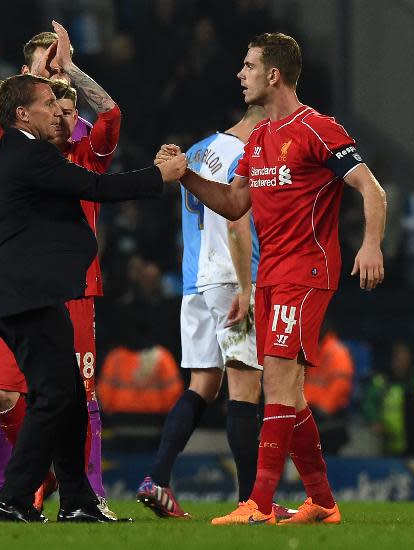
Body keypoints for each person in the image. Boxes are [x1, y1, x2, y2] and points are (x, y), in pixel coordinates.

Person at [157, 32, 386, 525]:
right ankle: (322, 501)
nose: (241, 75)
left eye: (249, 66)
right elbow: (234, 203)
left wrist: (370, 244)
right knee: (294, 394)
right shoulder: (258, 139)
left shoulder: (318, 129)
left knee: (278, 382)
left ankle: (257, 504)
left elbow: (371, 189)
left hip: (307, 271)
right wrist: (186, 178)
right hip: (269, 276)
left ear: (273, 74)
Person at [0, 72, 186, 523]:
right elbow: (97, 189)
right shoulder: (31, 155)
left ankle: (77, 500)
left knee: (67, 394)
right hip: (31, 295)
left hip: (21, 293)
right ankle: (13, 496)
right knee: (53, 395)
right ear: (22, 114)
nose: (58, 110)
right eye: (48, 103)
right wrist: (159, 177)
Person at [0, 24, 114, 515]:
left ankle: (83, 494)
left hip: (74, 283)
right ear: (27, 79)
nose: (55, 76)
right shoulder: (0, 137)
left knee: (76, 394)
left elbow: (110, 117)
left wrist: (73, 71)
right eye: (46, 70)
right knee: (6, 392)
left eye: (58, 67)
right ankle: (17, 482)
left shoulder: (82, 136)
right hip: (18, 278)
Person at [135, 106, 268, 519]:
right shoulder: (244, 154)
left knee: (204, 385)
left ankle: (157, 478)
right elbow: (237, 222)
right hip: (231, 275)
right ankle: (251, 502)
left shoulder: (195, 151)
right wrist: (247, 286)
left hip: (194, 279)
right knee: (245, 388)